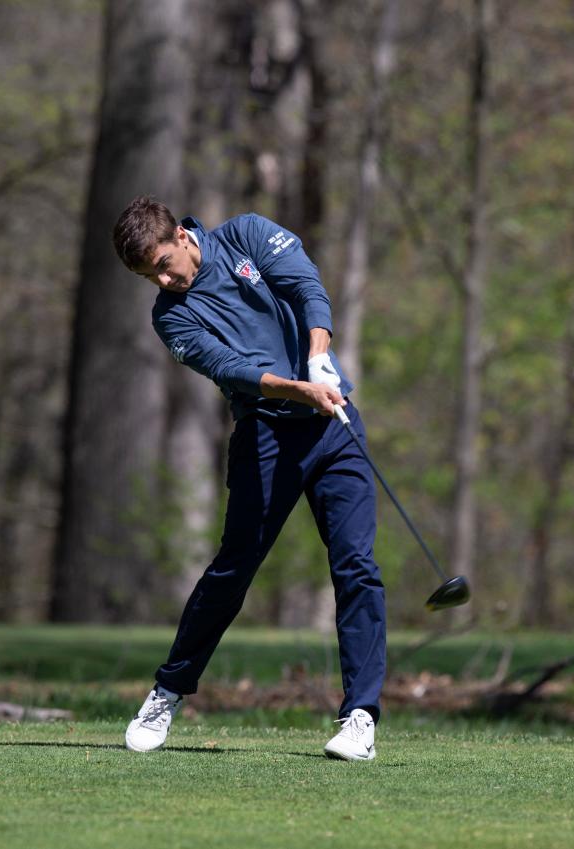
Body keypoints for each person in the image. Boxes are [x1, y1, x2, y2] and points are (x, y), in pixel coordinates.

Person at [111, 196, 386, 761]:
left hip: (333, 425)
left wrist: (317, 356)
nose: (164, 280)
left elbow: (308, 289)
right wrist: (298, 388)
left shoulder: (248, 236)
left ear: (184, 237)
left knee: (356, 565)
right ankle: (168, 690)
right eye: (149, 276)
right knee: (234, 570)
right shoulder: (170, 316)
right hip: (266, 435)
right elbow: (233, 370)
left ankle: (360, 717)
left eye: (164, 263)